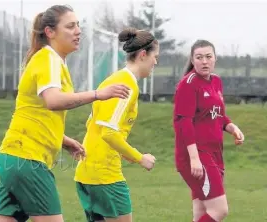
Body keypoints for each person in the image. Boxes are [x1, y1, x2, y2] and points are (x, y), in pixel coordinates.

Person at [0, 5, 132, 222]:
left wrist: (64, 140)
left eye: (78, 25)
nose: (78, 31)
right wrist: (97, 94)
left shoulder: (51, 60)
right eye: (70, 26)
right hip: (28, 160)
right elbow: (53, 101)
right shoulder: (48, 58)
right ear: (50, 32)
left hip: (13, 157)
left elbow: (33, 111)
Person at [74, 27, 159, 222]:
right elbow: (109, 133)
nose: (156, 62)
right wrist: (140, 158)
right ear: (143, 55)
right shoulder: (126, 84)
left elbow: (93, 124)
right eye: (155, 56)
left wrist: (123, 152)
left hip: (87, 173)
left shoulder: (113, 79)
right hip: (105, 175)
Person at [173, 40, 244, 222]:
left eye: (208, 57)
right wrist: (194, 158)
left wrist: (232, 127)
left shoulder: (216, 81)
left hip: (215, 153)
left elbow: (217, 116)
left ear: (215, 59)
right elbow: (184, 123)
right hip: (197, 155)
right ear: (192, 60)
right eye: (199, 57)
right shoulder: (188, 84)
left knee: (201, 212)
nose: (204, 61)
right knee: (219, 210)